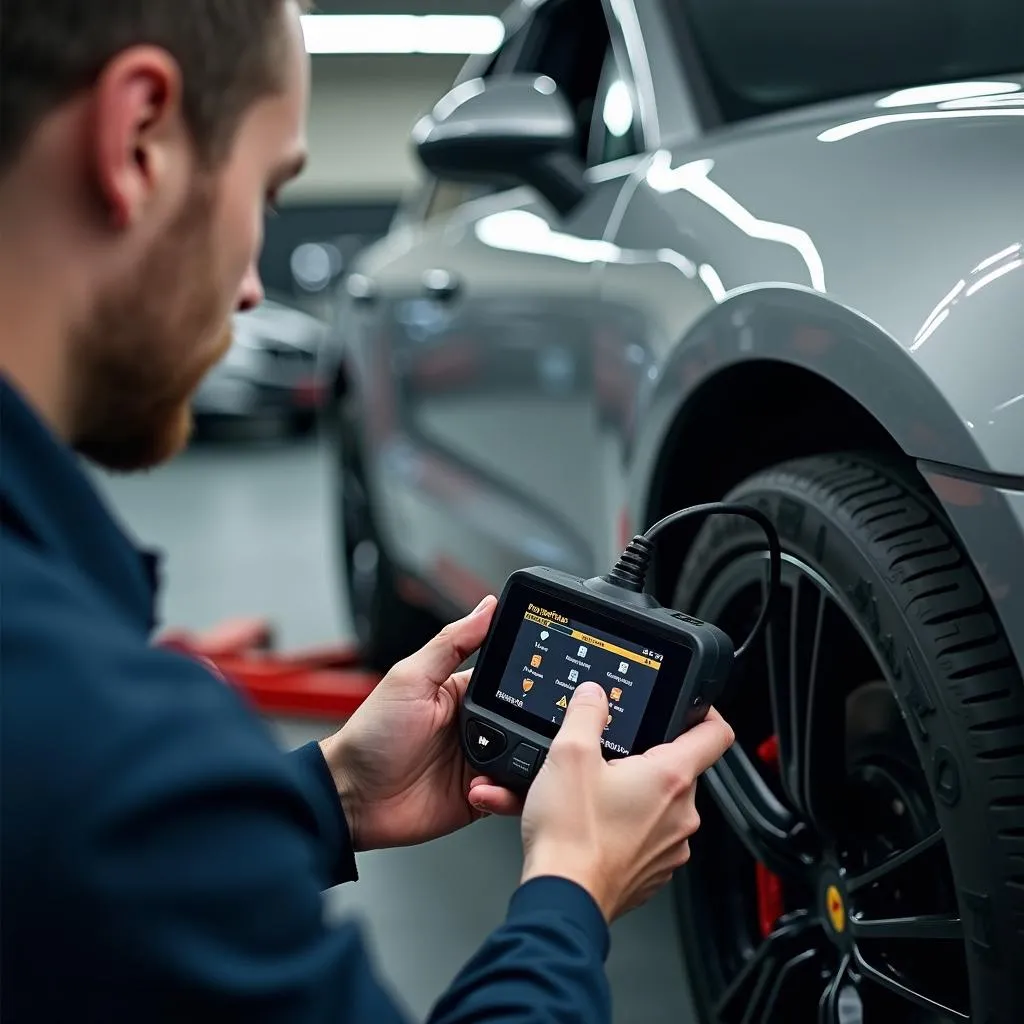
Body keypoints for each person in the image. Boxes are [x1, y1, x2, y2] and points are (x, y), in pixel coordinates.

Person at [0, 2, 736, 1020]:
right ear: (138, 141)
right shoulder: (104, 744)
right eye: (266, 190)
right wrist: (569, 889)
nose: (255, 289)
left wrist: (332, 793)